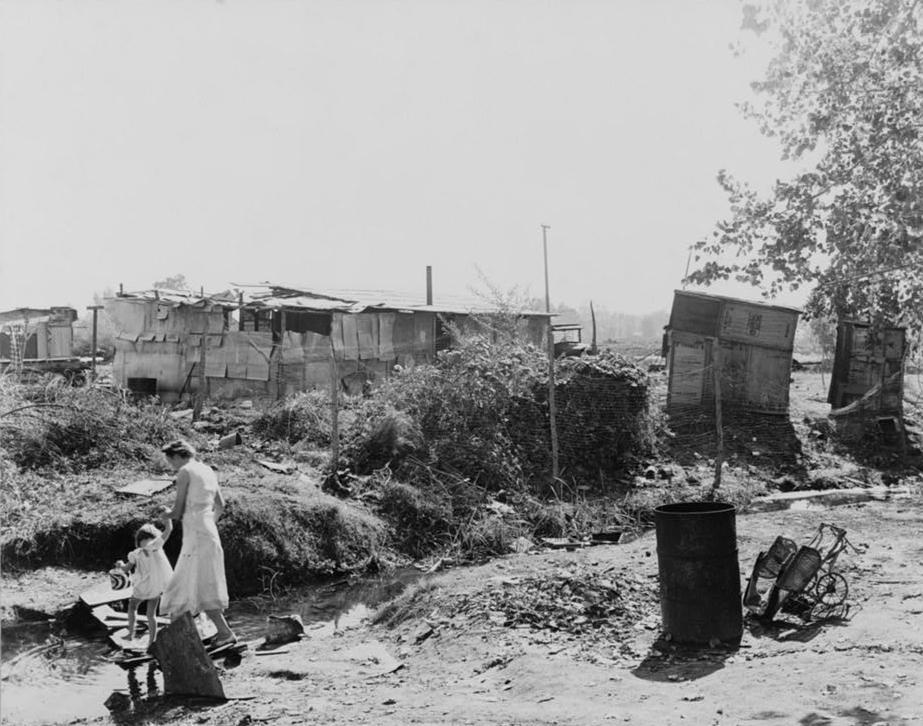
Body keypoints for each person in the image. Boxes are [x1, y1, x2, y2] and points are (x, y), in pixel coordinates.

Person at [159, 439, 236, 647]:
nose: (171, 466)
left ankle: (223, 634)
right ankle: (185, 637)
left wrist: (166, 515)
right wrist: (207, 522)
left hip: (196, 534)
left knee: (192, 584)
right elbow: (221, 505)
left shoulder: (185, 472)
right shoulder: (208, 470)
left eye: (170, 460)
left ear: (177, 456)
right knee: (194, 583)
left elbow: (177, 510)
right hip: (207, 532)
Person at [113, 519, 173, 647]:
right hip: (156, 587)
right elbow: (167, 532)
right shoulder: (156, 547)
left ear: (138, 541)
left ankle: (131, 633)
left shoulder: (138, 552)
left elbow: (126, 569)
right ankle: (152, 641)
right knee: (151, 615)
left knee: (132, 606)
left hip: (142, 586)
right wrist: (168, 522)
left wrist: (120, 565)